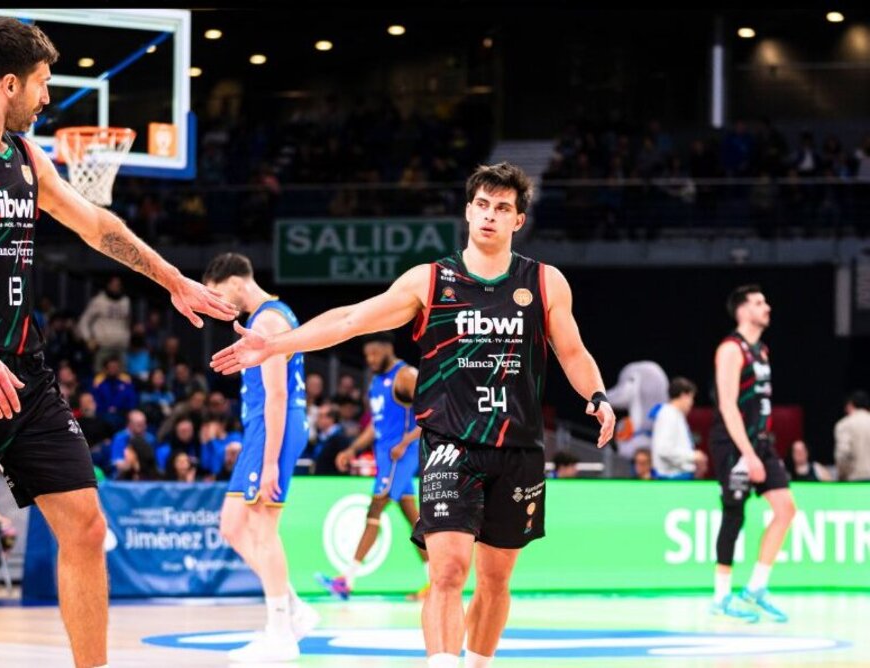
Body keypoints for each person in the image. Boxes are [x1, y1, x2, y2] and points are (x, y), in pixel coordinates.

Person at [0, 17, 236, 668]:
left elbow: (94, 223)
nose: (48, 99)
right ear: (11, 82)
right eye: (44, 84)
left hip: (26, 373)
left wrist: (173, 280)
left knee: (85, 526)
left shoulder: (24, 157)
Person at [212, 163, 615, 668]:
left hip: (518, 448)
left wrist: (596, 396)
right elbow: (351, 320)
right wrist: (275, 344)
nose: (490, 215)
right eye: (483, 205)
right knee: (447, 572)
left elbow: (572, 352)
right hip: (449, 444)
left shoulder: (544, 282)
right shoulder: (431, 280)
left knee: (494, 583)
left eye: (503, 208)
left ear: (518, 220)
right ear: (469, 212)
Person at [202, 252, 319, 663]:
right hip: (262, 428)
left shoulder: (267, 320)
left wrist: (269, 462)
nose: (219, 303)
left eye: (217, 294)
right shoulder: (269, 315)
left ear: (235, 281)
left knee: (263, 527)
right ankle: (296, 610)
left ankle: (280, 630)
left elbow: (278, 394)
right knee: (232, 526)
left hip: (274, 429)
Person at [317, 332, 428, 601]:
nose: (370, 359)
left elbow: (432, 414)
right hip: (386, 457)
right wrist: (352, 448)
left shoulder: (406, 375)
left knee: (374, 509)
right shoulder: (376, 382)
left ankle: (347, 580)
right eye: (367, 356)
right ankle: (435, 582)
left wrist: (406, 442)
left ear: (387, 348)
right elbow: (375, 427)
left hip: (399, 457)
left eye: (374, 354)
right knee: (414, 520)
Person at [708, 285, 796, 624]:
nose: (767, 307)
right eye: (760, 303)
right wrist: (748, 454)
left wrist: (760, 449)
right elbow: (727, 406)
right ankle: (720, 596)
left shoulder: (762, 351)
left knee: (786, 510)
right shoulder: (731, 349)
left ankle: (756, 588)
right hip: (733, 443)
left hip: (761, 441)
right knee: (734, 514)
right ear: (743, 311)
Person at [650, 377, 698, 479]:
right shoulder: (668, 414)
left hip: (678, 476)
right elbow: (664, 450)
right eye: (691, 398)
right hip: (672, 479)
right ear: (684, 396)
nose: (692, 403)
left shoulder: (675, 414)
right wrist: (694, 456)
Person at [835, 390, 870, 481]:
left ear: (850, 405)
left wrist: (843, 476)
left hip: (854, 480)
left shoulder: (844, 425)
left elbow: (843, 455)